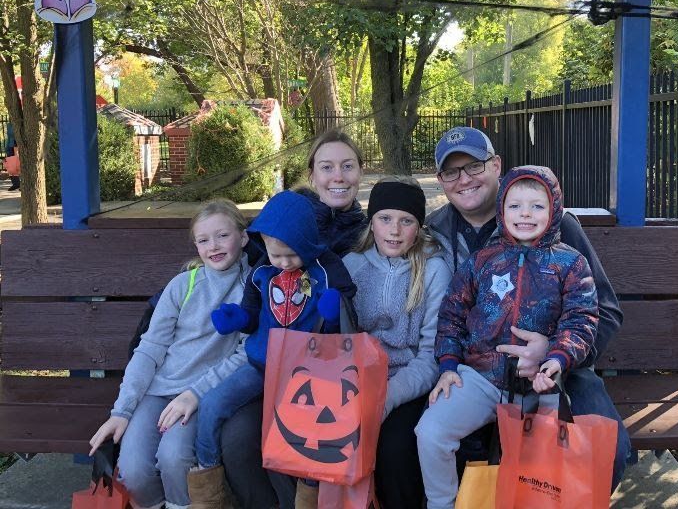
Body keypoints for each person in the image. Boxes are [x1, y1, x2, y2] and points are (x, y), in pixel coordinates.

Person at [424, 127, 631, 488]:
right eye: (451, 172)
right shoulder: (435, 230)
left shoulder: (555, 225)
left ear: (496, 165)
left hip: (562, 369)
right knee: (427, 436)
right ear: (441, 179)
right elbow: (449, 310)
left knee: (607, 452)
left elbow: (605, 310)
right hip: (480, 370)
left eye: (474, 166)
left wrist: (552, 353)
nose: (464, 180)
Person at [416, 166, 599, 508]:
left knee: (545, 464)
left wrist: (557, 359)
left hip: (539, 384)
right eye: (515, 206)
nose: (525, 214)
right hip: (480, 378)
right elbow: (452, 312)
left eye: (537, 206)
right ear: (502, 210)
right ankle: (442, 502)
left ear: (555, 210)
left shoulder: (570, 264)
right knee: (430, 431)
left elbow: (581, 318)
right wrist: (449, 364)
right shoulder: (482, 260)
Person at [218, 130, 369, 509]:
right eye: (327, 167)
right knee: (239, 437)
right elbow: (255, 275)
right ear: (312, 175)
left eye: (347, 166)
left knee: (297, 433)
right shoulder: (284, 223)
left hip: (331, 369)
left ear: (360, 173)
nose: (338, 176)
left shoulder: (369, 232)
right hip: (274, 361)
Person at [188, 190, 356, 507]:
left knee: (310, 435)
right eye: (275, 254)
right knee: (211, 405)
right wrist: (238, 318)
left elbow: (344, 330)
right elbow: (253, 315)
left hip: (308, 374)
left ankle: (309, 498)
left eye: (291, 255)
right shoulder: (264, 271)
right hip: (261, 365)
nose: (282, 262)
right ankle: (208, 490)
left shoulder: (325, 271)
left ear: (307, 243)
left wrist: (335, 312)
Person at [88, 198, 251, 509]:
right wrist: (122, 411)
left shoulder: (252, 289)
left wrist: (197, 392)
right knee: (133, 469)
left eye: (223, 236)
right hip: (157, 392)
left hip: (200, 394)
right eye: (203, 240)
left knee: (174, 458)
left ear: (242, 238)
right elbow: (149, 349)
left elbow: (245, 353)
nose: (213, 246)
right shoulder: (183, 285)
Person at [341, 177, 450, 509]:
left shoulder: (433, 269)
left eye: (407, 221)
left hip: (408, 384)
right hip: (356, 382)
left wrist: (386, 399)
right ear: (371, 223)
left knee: (395, 447)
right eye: (385, 219)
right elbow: (342, 343)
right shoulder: (351, 266)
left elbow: (430, 354)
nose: (395, 230)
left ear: (418, 228)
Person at [5, 121, 19, 191]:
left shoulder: (18, 123)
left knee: (16, 166)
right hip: (9, 147)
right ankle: (15, 183)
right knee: (11, 166)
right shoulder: (9, 124)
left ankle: (18, 183)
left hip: (14, 147)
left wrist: (16, 148)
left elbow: (16, 137)